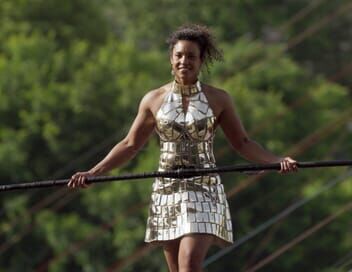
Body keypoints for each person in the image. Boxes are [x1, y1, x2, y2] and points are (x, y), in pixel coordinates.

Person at [68, 24, 297, 272]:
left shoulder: (219, 99)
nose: (184, 61)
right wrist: (94, 172)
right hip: (167, 190)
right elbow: (130, 144)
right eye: (179, 55)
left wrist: (276, 160)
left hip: (204, 189)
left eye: (191, 56)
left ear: (201, 61)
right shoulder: (153, 100)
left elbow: (242, 143)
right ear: (171, 59)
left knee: (189, 265)